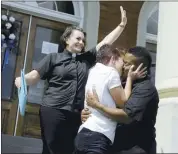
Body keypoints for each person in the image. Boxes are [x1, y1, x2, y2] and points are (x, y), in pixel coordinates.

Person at [15, 6, 128, 154]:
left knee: (69, 150)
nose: (81, 42)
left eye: (83, 40)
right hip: (53, 110)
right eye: (78, 38)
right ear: (67, 39)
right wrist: (21, 80)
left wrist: (121, 25)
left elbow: (106, 42)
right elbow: (34, 76)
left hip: (77, 114)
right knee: (51, 149)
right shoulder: (53, 58)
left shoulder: (87, 59)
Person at [83, 46, 159, 154]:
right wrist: (88, 113)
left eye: (127, 63)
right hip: (115, 146)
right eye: (123, 62)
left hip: (136, 148)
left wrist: (98, 106)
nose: (123, 65)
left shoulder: (145, 89)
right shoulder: (122, 84)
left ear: (140, 67)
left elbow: (126, 116)